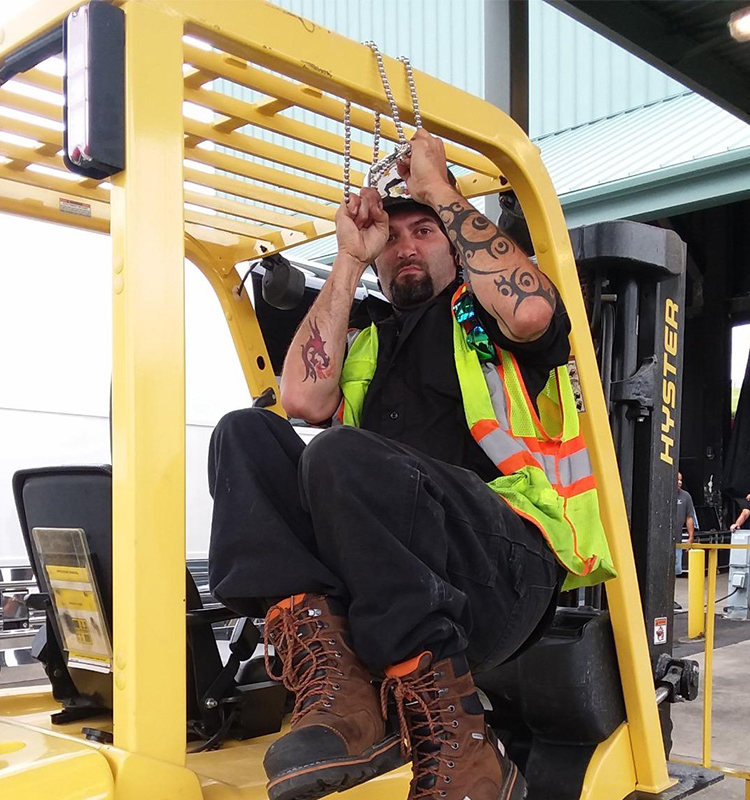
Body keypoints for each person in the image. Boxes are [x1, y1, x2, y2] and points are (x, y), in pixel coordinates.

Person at [207, 129, 615, 800]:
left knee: (340, 453)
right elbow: (303, 398)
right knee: (244, 435)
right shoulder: (365, 344)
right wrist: (346, 258)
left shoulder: (487, 319)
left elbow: (533, 309)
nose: (406, 246)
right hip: (386, 579)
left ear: (454, 241)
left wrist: (436, 188)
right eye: (393, 239)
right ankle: (344, 693)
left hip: (502, 566)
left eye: (424, 231)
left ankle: (462, 745)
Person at [676, 473, 696, 582]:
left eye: (681, 480)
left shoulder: (686, 496)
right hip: (662, 541)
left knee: (675, 570)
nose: (679, 482)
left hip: (677, 540)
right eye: (677, 480)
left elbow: (689, 517)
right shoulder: (663, 494)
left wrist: (690, 537)